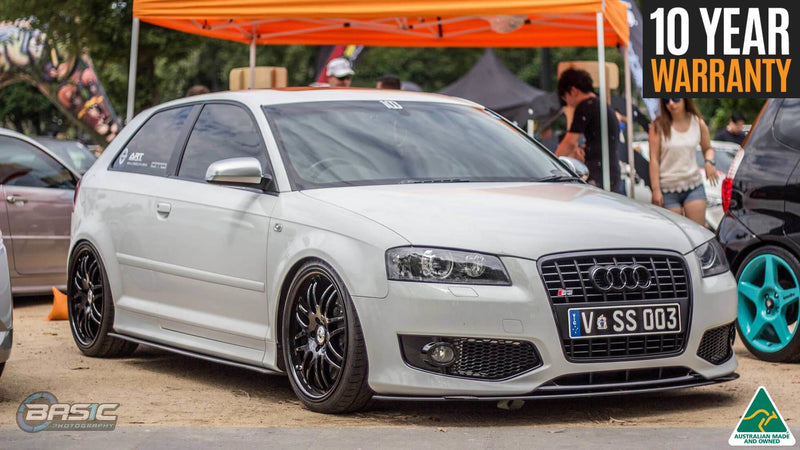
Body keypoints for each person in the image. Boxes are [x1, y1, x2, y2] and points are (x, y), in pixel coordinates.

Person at [649, 97, 719, 226]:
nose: (671, 103)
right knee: (675, 238)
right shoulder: (658, 125)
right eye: (666, 100)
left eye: (675, 98)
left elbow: (708, 148)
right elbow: (653, 160)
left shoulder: (697, 122)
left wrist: (709, 162)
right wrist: (656, 190)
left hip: (693, 185)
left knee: (698, 233)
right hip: (667, 189)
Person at [555, 68, 623, 194]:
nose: (568, 104)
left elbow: (569, 142)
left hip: (598, 173)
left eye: (565, 98)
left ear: (573, 91)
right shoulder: (601, 104)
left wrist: (552, 162)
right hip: (612, 171)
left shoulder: (585, 106)